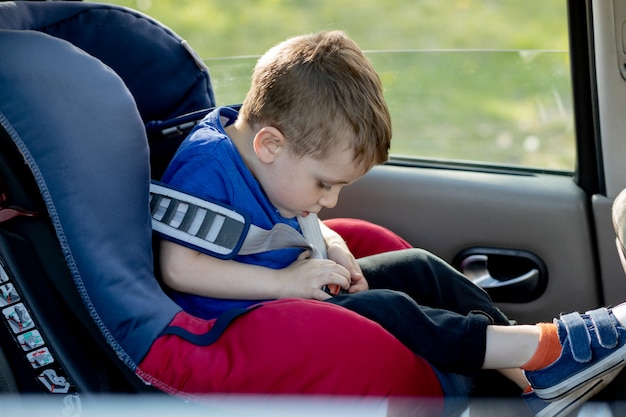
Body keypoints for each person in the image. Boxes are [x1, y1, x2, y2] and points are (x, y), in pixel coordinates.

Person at [158, 30, 626, 416]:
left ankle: (532, 377)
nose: (331, 199)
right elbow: (181, 268)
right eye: (324, 184)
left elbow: (285, 222)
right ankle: (542, 350)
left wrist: (332, 244)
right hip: (240, 322)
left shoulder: (268, 162)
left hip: (290, 289)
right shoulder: (206, 170)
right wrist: (283, 283)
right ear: (270, 145)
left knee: (421, 268)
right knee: (391, 308)